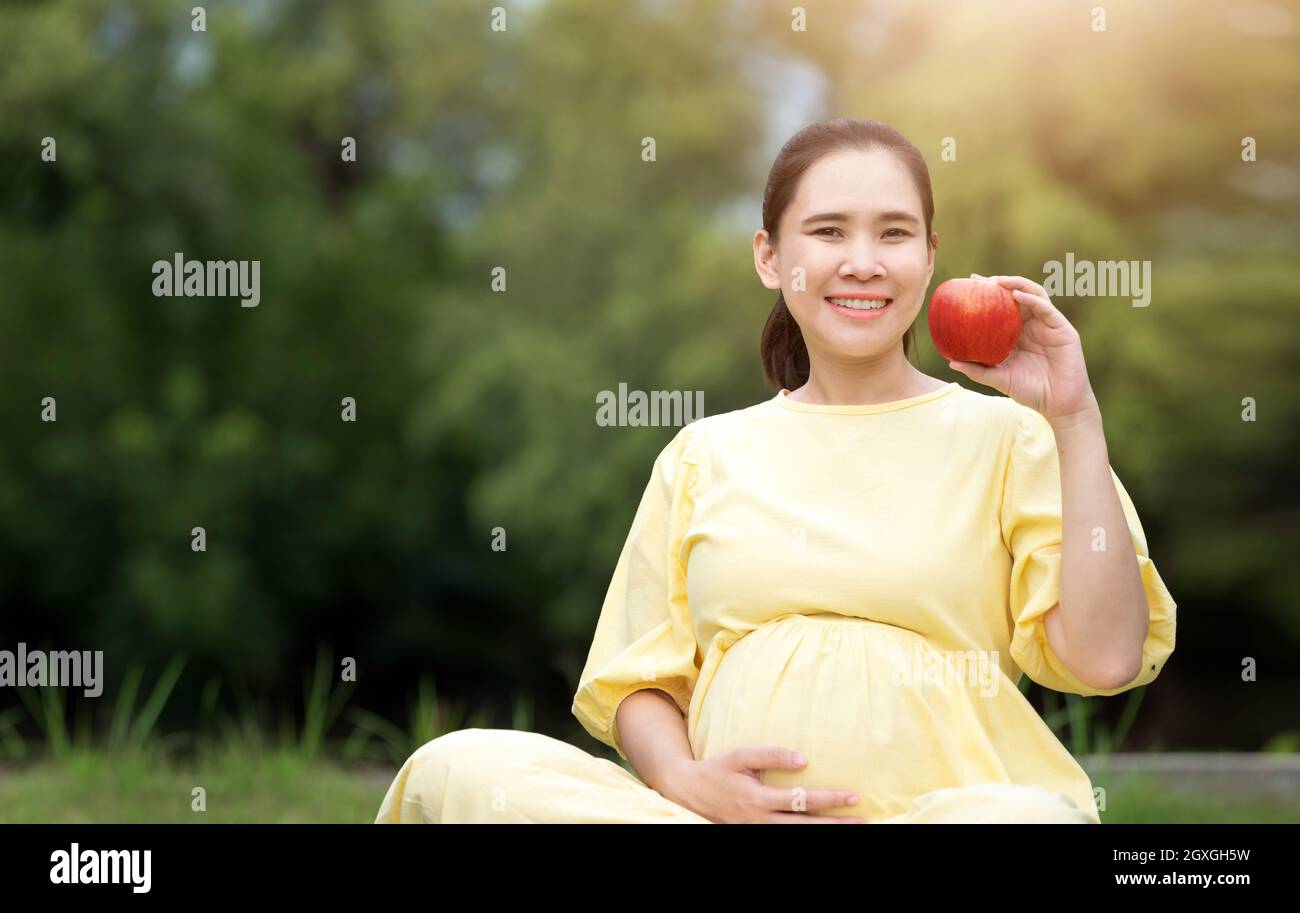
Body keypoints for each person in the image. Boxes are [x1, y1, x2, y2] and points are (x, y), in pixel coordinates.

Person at [374, 117, 1176, 824]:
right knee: (461, 770)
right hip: (716, 824)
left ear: (930, 257)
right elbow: (642, 683)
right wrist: (688, 782)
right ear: (770, 256)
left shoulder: (1013, 437)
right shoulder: (704, 453)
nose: (863, 262)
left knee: (1022, 822)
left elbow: (1104, 658)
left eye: (894, 234)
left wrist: (1073, 416)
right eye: (828, 232)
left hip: (932, 818)